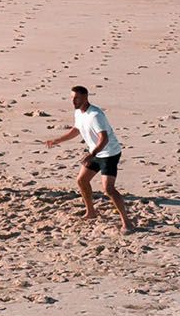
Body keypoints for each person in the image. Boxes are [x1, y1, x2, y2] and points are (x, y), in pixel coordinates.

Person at [44, 85, 131, 232]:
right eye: (72, 98)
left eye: (77, 98)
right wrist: (57, 140)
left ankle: (127, 223)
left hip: (109, 154)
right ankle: (91, 212)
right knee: (82, 180)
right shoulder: (79, 113)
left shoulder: (95, 115)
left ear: (85, 97)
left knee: (108, 189)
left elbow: (104, 139)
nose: (73, 101)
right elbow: (76, 130)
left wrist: (92, 154)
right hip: (95, 153)